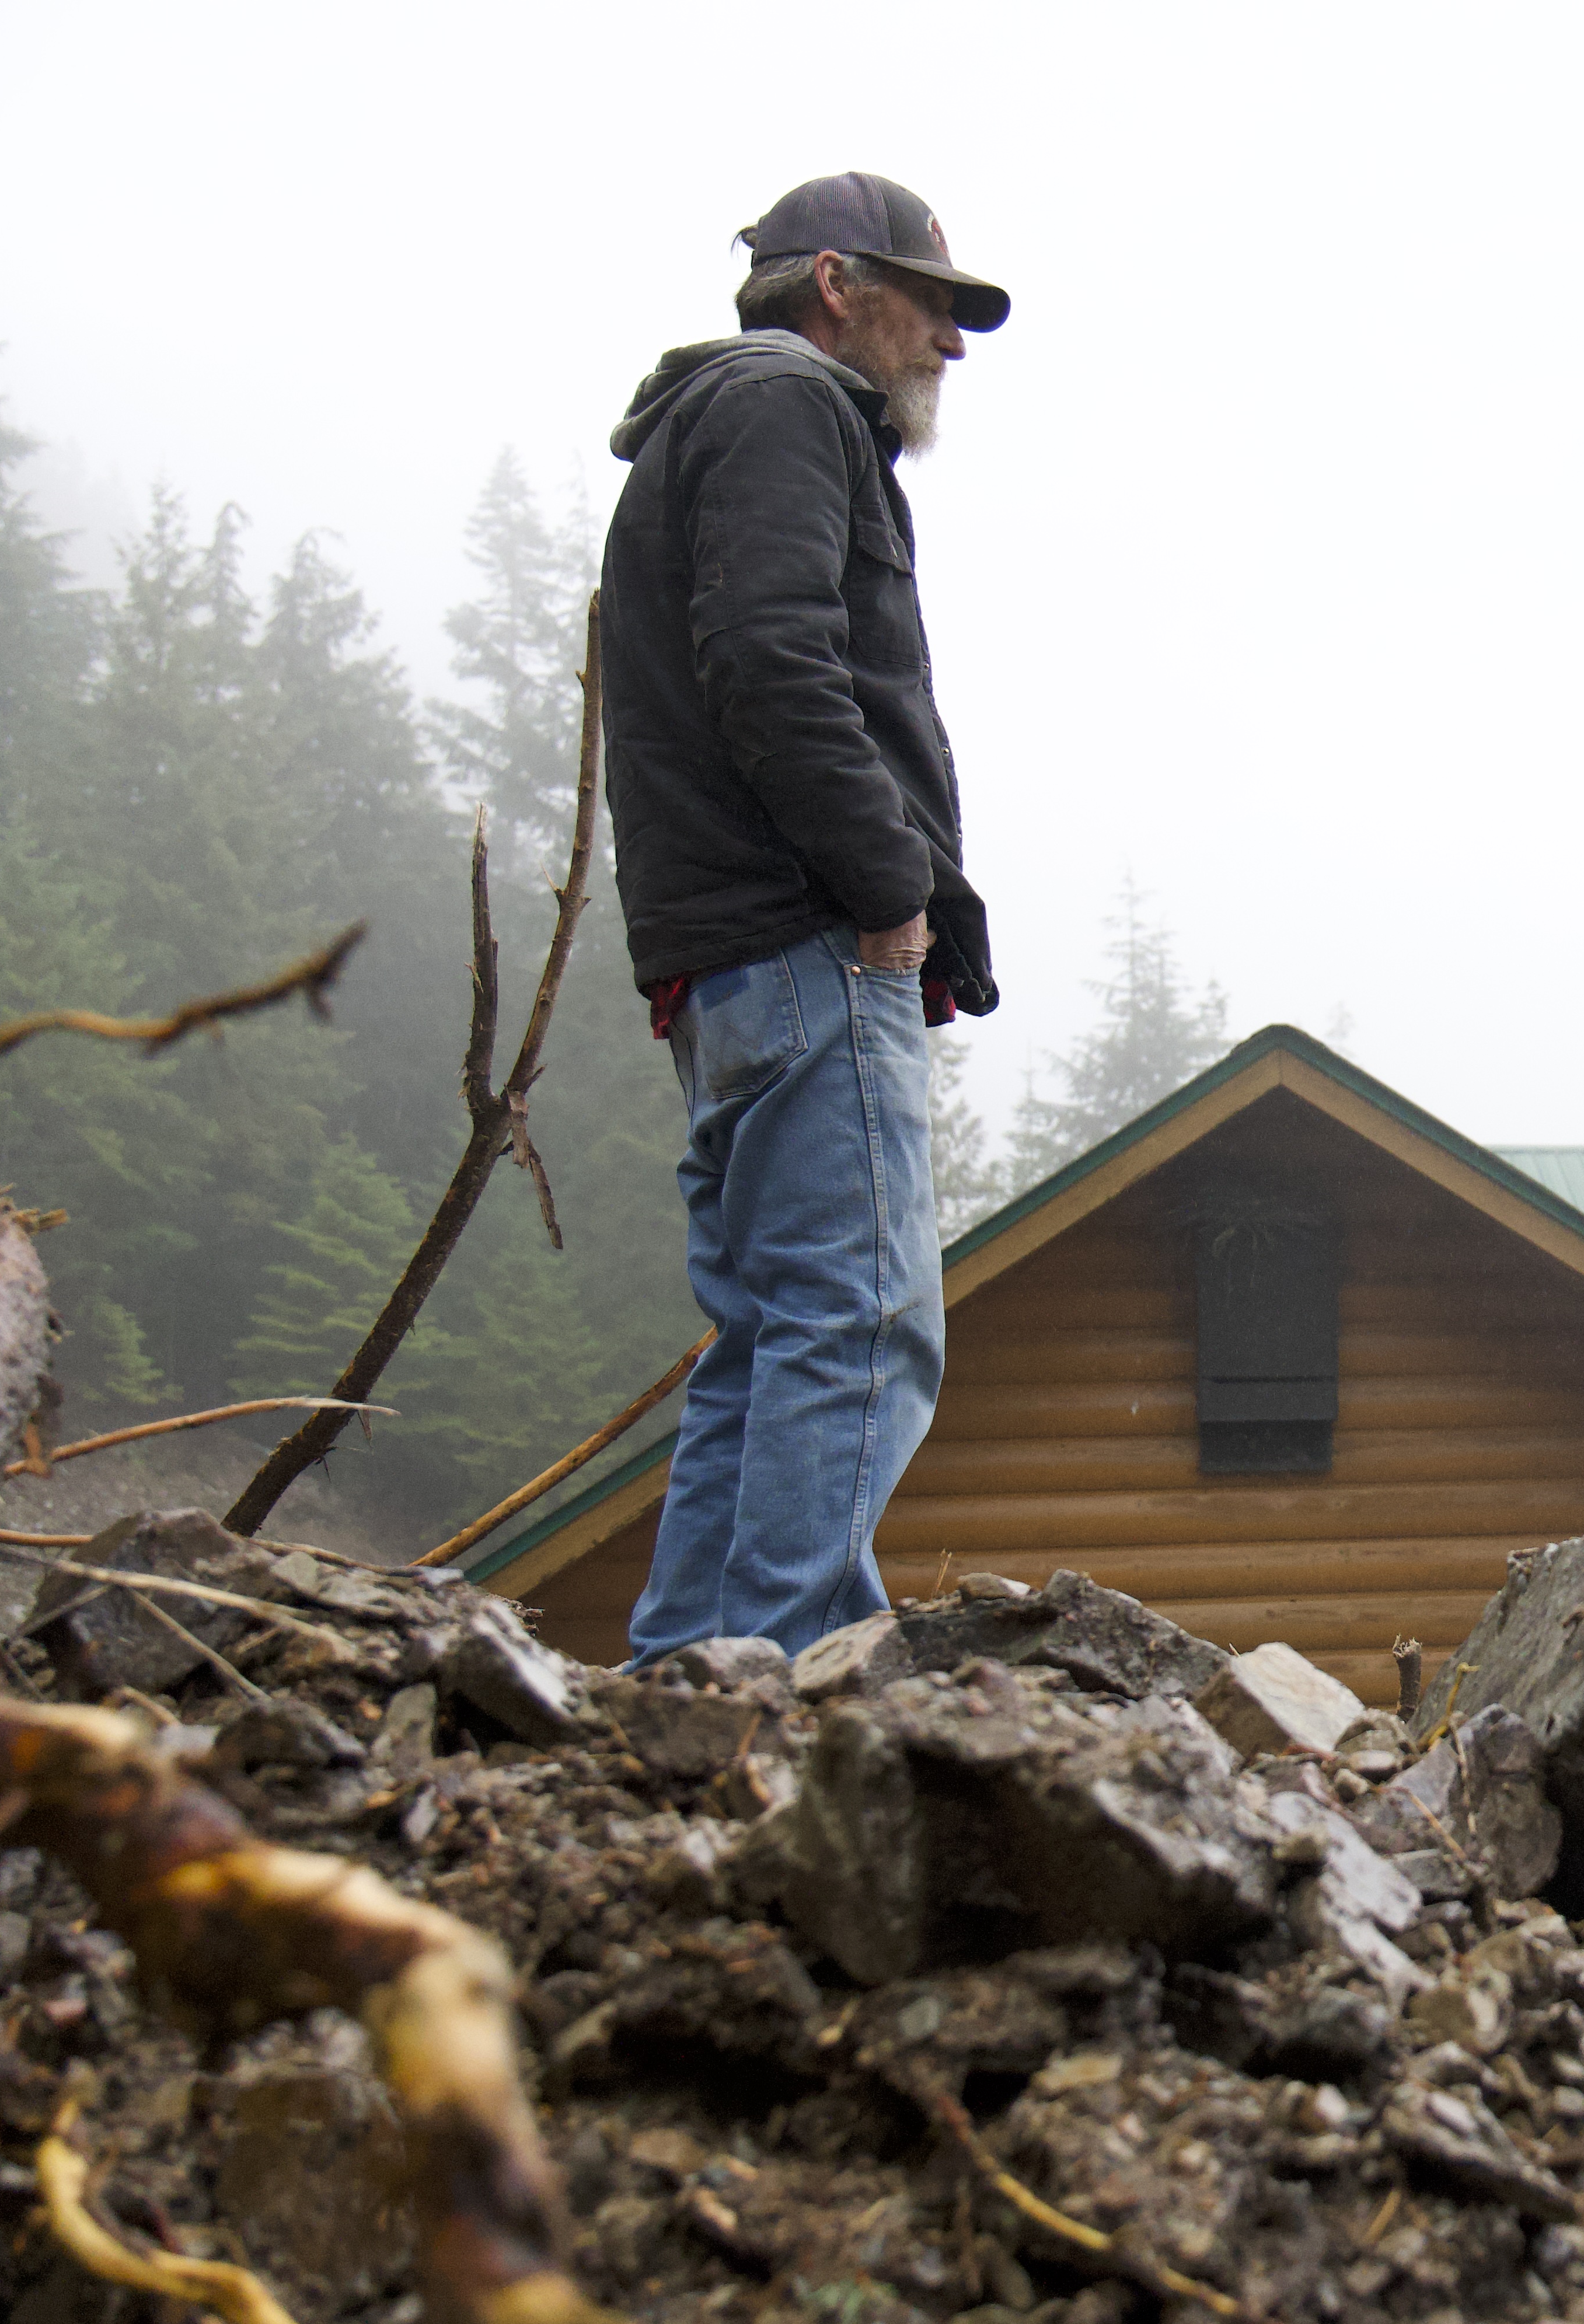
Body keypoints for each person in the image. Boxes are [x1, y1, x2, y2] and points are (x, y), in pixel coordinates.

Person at [599, 173, 1010, 1664]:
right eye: (932, 306)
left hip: (726, 965)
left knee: (768, 1340)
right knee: (860, 1320)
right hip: (809, 943)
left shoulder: (707, 422)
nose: (950, 346)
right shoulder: (788, 405)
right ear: (836, 282)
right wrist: (890, 890)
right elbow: (775, 663)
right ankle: (795, 1680)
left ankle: (693, 1682)